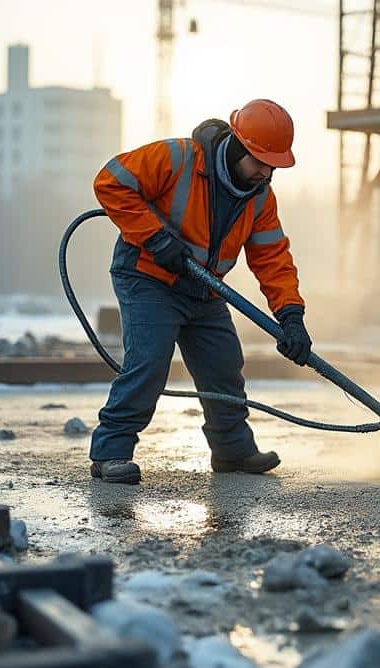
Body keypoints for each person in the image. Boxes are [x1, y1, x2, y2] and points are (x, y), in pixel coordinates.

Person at [87, 99, 312, 484]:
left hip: (205, 289)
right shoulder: (177, 158)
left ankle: (233, 452)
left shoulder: (260, 197)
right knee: (148, 363)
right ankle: (111, 452)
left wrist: (291, 316)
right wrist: (155, 238)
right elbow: (110, 182)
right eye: (260, 161)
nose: (266, 171)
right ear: (238, 147)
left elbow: (272, 257)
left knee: (224, 367)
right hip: (149, 278)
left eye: (273, 165)